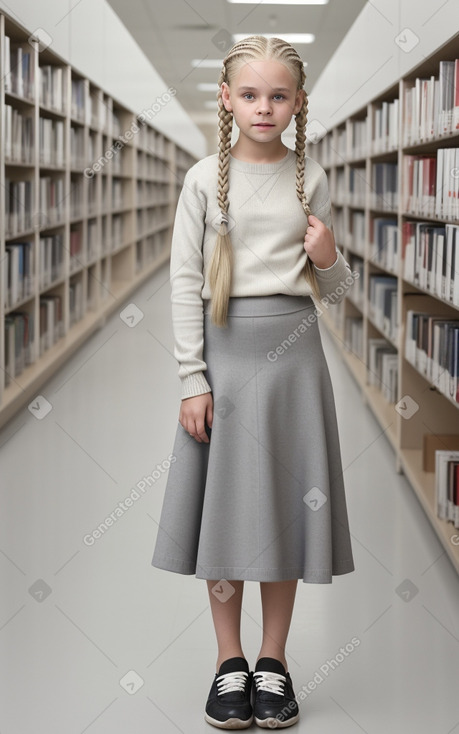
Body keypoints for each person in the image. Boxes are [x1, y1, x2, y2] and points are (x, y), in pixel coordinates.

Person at [151, 34, 357, 730]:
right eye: (249, 94)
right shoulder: (202, 180)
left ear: (298, 104)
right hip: (226, 360)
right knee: (227, 516)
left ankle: (273, 661)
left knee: (283, 517)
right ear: (226, 98)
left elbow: (331, 295)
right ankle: (227, 661)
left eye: (277, 96)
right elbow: (183, 281)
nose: (262, 108)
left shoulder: (314, 177)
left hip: (294, 364)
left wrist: (328, 258)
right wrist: (191, 379)